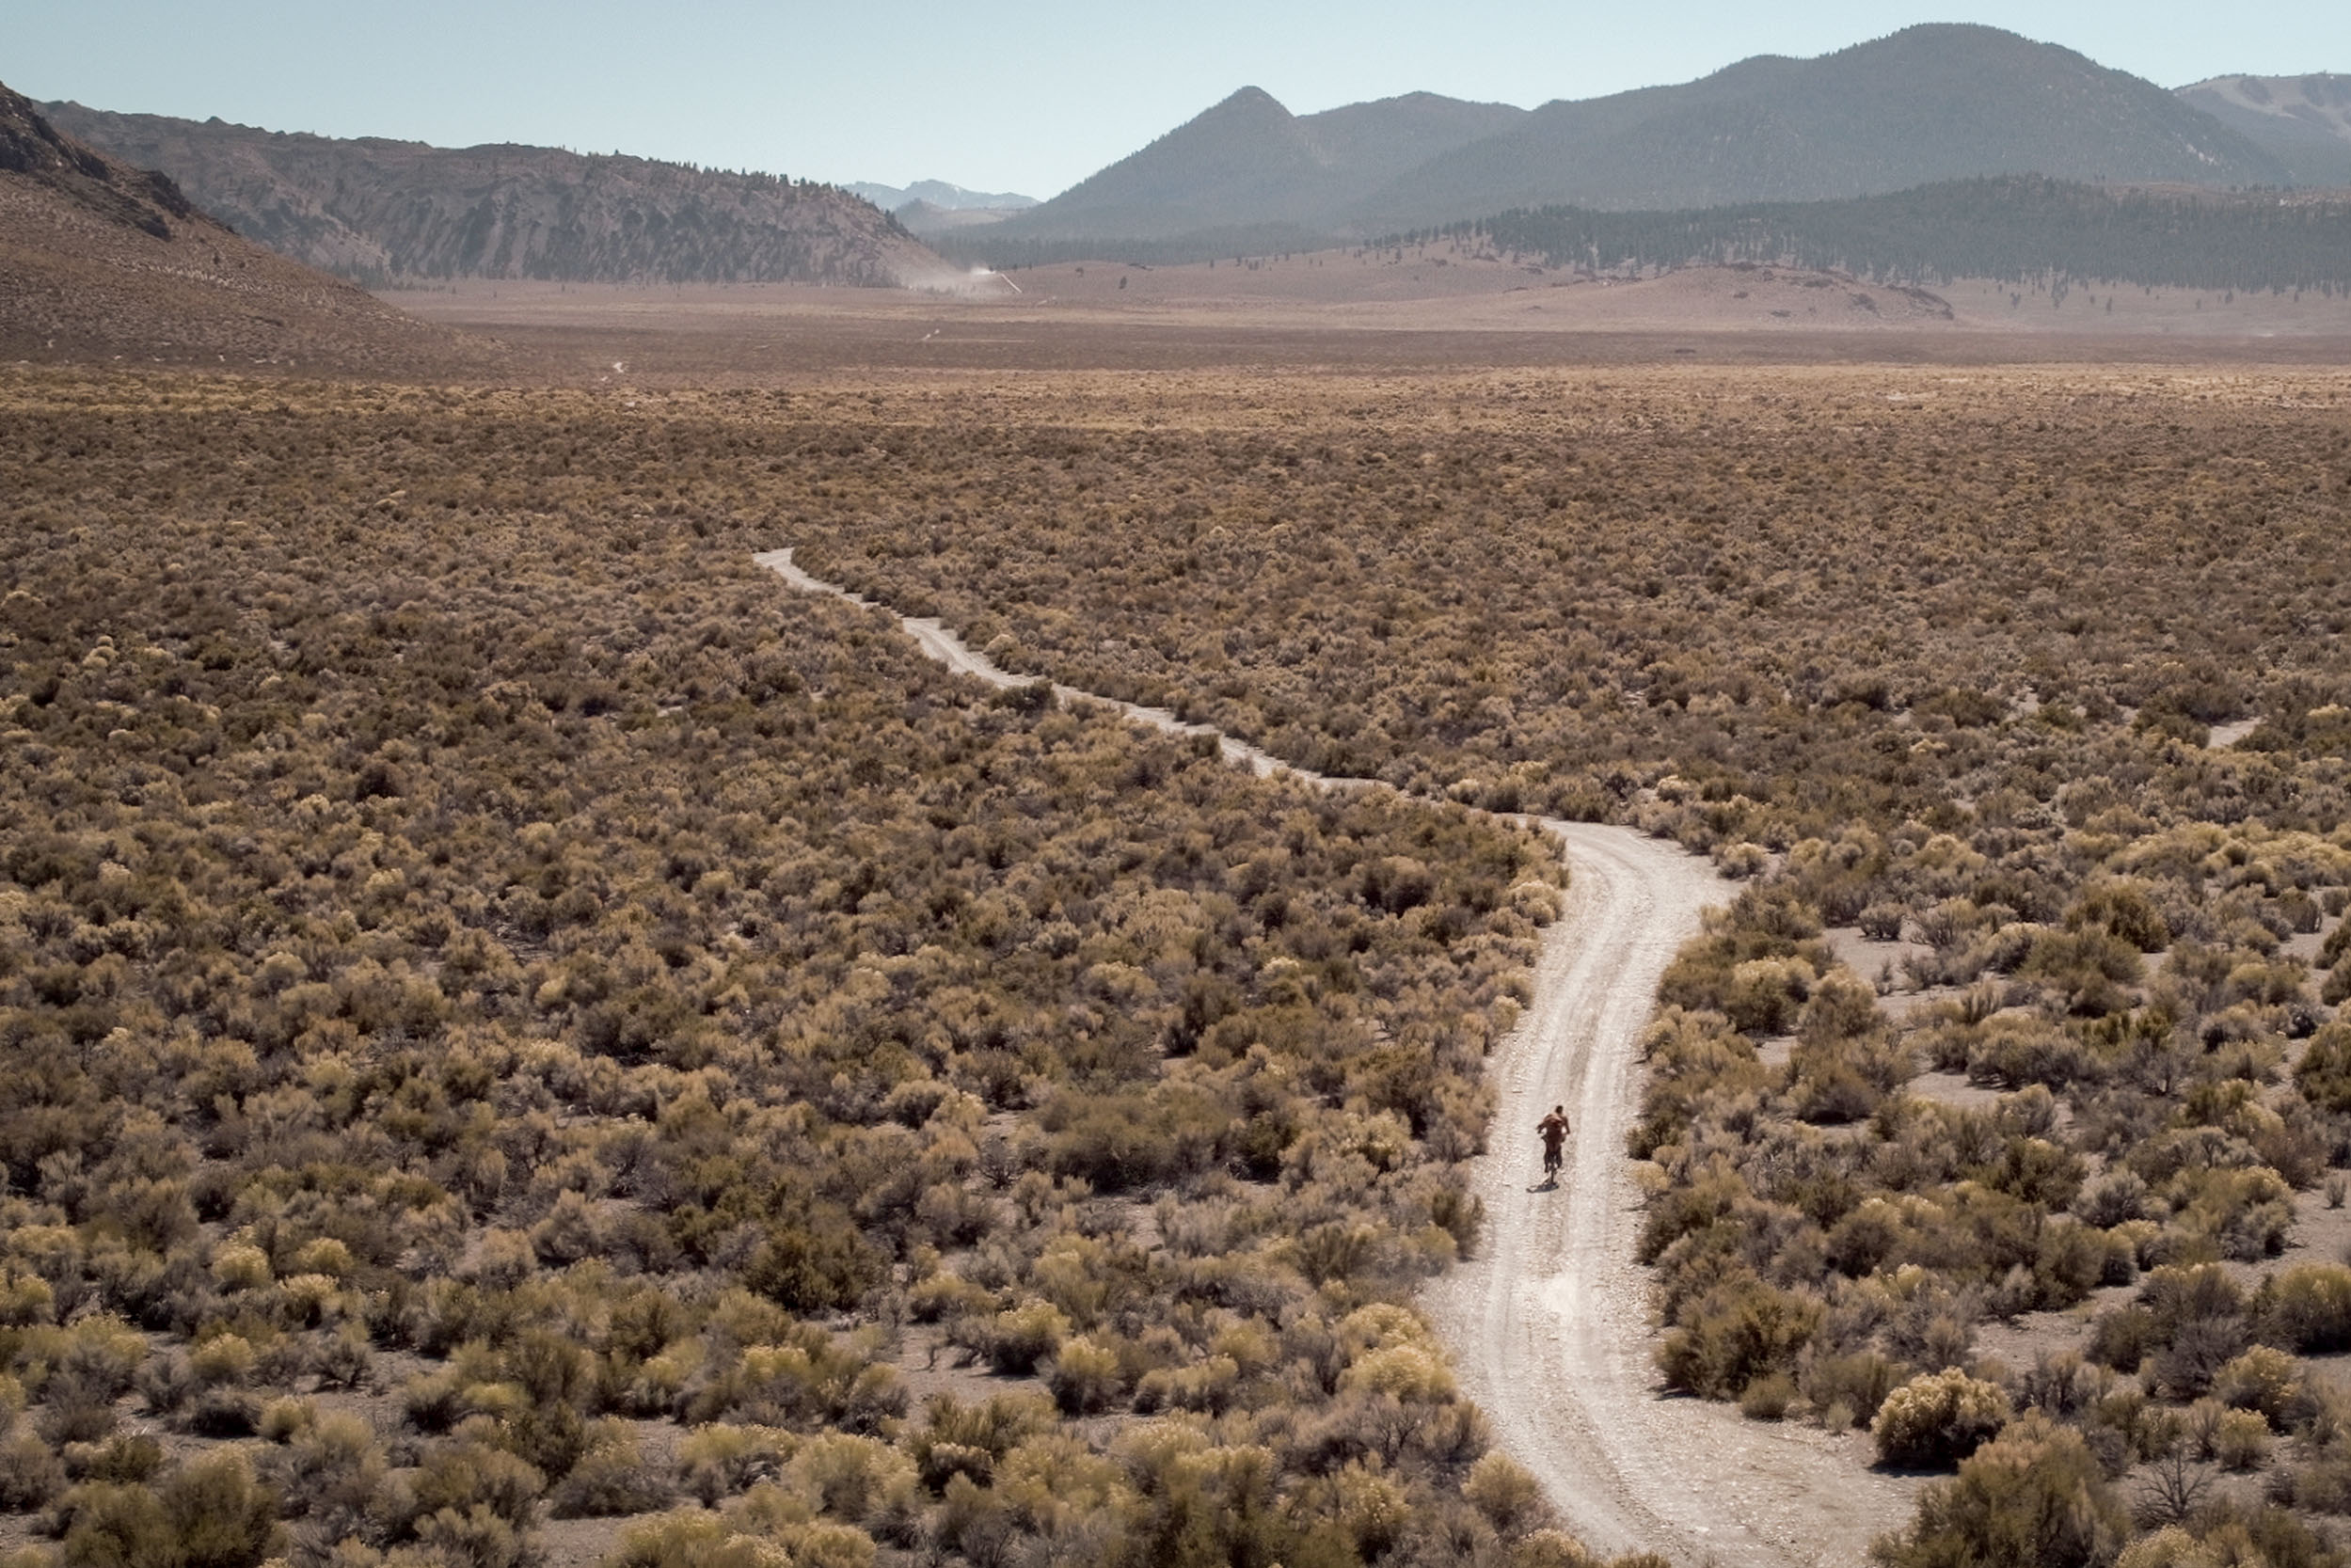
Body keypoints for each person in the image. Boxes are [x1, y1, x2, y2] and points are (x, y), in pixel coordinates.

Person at [1536, 1104, 1571, 1181]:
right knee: (1558, 1149)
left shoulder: (1550, 1116)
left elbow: (1542, 1125)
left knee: (1548, 1150)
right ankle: (1559, 1163)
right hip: (1558, 1136)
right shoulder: (1564, 1118)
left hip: (1549, 1136)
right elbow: (1568, 1130)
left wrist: (1539, 1131)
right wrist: (1566, 1133)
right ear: (1561, 1110)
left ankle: (1546, 1166)